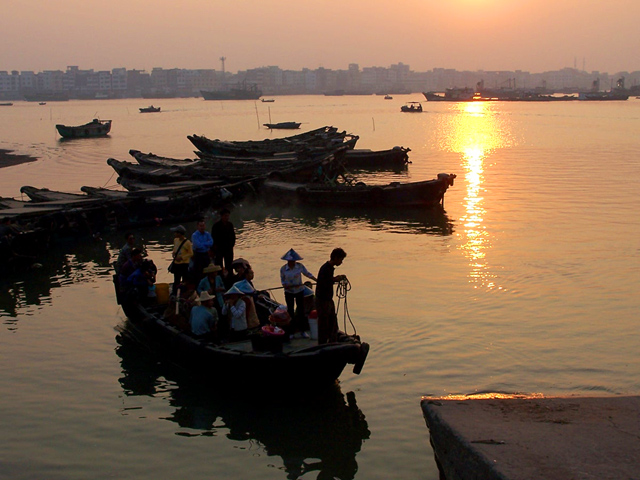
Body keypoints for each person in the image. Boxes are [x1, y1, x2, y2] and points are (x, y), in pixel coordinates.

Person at [280, 248, 317, 338]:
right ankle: (291, 332)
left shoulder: (299, 266)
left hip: (299, 290)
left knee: (301, 311)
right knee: (290, 311)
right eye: (290, 261)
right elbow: (283, 281)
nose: (292, 262)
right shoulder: (283, 269)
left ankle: (302, 331)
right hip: (289, 292)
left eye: (293, 261)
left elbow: (307, 274)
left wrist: (316, 279)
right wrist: (286, 286)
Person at [315, 247, 347, 344]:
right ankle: (323, 343)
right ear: (336, 258)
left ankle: (332, 340)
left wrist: (335, 279)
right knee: (324, 322)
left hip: (328, 299)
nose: (341, 262)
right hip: (323, 300)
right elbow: (325, 282)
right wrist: (336, 279)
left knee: (332, 321)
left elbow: (328, 280)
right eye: (341, 259)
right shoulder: (326, 268)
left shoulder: (328, 268)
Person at [211, 208, 236, 273]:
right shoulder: (216, 226)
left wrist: (232, 245)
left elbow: (233, 236)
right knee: (219, 266)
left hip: (228, 249)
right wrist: (215, 249)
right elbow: (213, 238)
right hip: (219, 249)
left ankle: (229, 278)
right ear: (222, 216)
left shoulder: (230, 225)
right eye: (225, 216)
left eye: (228, 216)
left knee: (229, 265)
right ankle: (220, 278)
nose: (227, 217)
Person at [170, 225, 193, 294]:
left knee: (185, 279)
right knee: (176, 279)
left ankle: (184, 292)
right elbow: (175, 248)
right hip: (177, 264)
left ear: (179, 233)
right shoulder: (175, 240)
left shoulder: (187, 242)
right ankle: (174, 292)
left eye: (176, 232)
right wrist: (173, 253)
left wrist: (182, 257)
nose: (174, 234)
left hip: (184, 264)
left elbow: (191, 253)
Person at [190, 218, 213, 282]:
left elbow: (211, 243)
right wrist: (206, 244)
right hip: (198, 255)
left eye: (203, 225)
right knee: (199, 271)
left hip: (206, 254)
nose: (202, 227)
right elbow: (197, 245)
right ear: (197, 226)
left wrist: (203, 244)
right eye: (200, 226)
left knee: (207, 270)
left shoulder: (207, 234)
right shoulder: (194, 235)